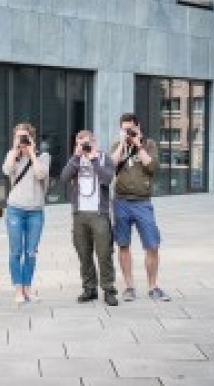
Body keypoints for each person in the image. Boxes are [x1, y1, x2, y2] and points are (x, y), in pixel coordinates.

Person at [110, 113, 170, 302]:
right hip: (120, 201)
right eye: (124, 129)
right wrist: (122, 143)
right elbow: (110, 166)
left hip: (143, 202)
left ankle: (153, 287)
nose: (127, 132)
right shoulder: (117, 145)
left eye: (130, 128)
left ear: (138, 127)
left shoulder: (149, 144)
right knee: (123, 244)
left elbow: (152, 168)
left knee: (152, 245)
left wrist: (137, 143)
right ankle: (129, 287)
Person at [61, 130, 118, 306]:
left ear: (94, 142)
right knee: (84, 253)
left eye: (87, 143)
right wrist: (76, 157)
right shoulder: (75, 160)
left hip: (99, 214)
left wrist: (93, 158)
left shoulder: (103, 158)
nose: (84, 146)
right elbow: (64, 178)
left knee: (104, 253)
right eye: (80, 143)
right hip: (79, 214)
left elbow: (107, 179)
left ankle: (108, 289)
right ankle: (89, 288)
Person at [2, 123, 51, 304]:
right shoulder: (12, 155)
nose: (21, 140)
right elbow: (7, 170)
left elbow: (40, 174)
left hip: (35, 211)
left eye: (25, 137)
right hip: (15, 208)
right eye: (18, 137)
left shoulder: (43, 156)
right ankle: (18, 289)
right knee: (16, 251)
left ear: (32, 138)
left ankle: (28, 287)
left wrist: (31, 153)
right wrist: (15, 151)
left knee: (30, 252)